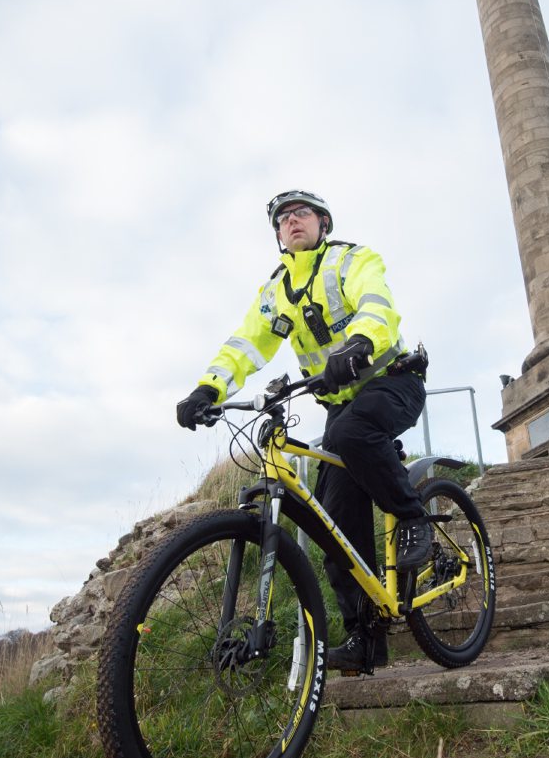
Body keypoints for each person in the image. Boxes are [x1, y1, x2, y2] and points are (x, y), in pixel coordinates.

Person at [176, 190, 430, 675]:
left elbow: (377, 306)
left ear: (323, 223)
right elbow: (247, 343)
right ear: (277, 236)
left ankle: (411, 513)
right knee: (333, 520)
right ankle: (365, 638)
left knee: (353, 435)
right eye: (282, 219)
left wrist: (358, 343)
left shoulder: (350, 261)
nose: (291, 222)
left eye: (301, 214)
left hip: (390, 381)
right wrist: (207, 389)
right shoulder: (275, 291)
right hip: (340, 405)